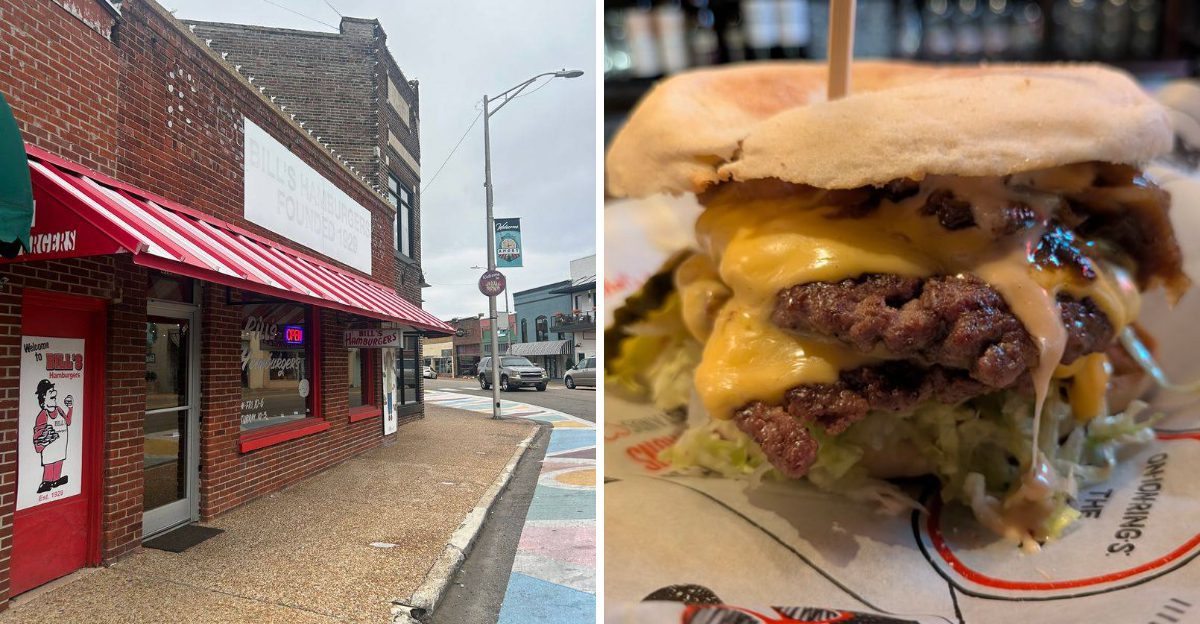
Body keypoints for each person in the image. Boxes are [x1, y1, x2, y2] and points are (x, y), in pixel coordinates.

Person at [32, 379, 72, 494]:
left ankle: (56, 480)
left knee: (59, 462)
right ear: (44, 396)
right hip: (49, 450)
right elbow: (39, 435)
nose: (54, 392)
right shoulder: (43, 415)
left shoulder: (59, 409)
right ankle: (47, 482)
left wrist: (70, 408)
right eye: (51, 391)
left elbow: (68, 421)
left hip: (60, 448)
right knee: (49, 465)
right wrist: (45, 436)